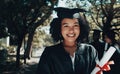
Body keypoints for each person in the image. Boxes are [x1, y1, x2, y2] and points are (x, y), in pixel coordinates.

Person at [36, 7, 98, 74]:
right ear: (59, 28)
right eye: (66, 26)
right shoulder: (49, 53)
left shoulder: (90, 51)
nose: (71, 30)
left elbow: (96, 71)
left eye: (75, 25)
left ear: (81, 28)